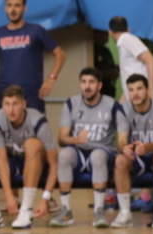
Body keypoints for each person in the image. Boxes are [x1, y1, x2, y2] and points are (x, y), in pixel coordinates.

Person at [0, 85, 57, 229]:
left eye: (15, 104)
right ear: (2, 105)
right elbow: (1, 159)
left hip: (37, 165)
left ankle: (26, 210)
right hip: (11, 163)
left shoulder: (38, 121)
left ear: (24, 104)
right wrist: (8, 196)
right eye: (7, 104)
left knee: (32, 144)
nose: (11, 109)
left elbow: (55, 164)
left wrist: (45, 199)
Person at [51, 67, 126, 228]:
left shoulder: (112, 105)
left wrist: (125, 148)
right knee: (63, 155)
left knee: (97, 156)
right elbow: (61, 139)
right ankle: (66, 210)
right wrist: (77, 139)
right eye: (84, 82)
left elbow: (122, 138)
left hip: (103, 151)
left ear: (99, 85)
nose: (87, 86)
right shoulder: (71, 104)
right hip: (78, 150)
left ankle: (99, 211)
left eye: (91, 82)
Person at [0, 0, 66, 110]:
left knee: (35, 127)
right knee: (3, 128)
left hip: (31, 95)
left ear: (25, 8)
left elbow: (60, 54)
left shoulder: (36, 31)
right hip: (5, 94)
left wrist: (51, 79)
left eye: (17, 5)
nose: (13, 10)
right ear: (5, 8)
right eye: (9, 5)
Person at [112, 73, 153, 229]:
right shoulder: (123, 109)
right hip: (137, 155)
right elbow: (120, 141)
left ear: (147, 90)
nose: (135, 94)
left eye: (139, 89)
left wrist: (147, 147)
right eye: (131, 90)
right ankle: (125, 212)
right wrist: (124, 147)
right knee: (120, 160)